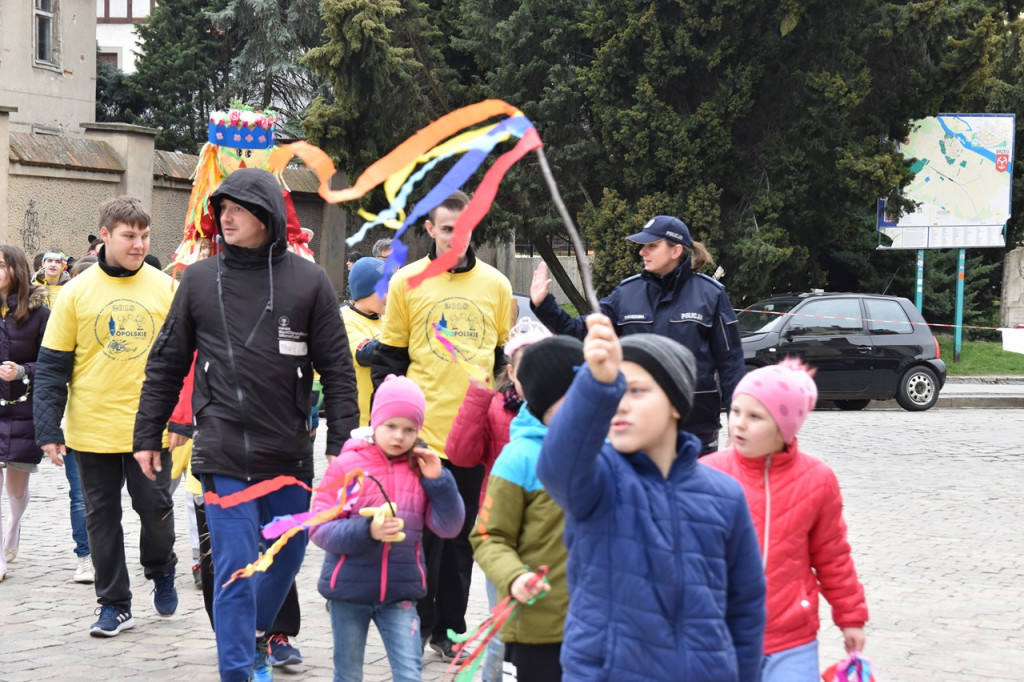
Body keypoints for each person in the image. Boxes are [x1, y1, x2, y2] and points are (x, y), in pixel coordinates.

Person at [133, 167, 359, 682]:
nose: (226, 218)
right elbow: (166, 363)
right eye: (222, 209)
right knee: (235, 564)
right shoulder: (198, 280)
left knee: (289, 553)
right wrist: (147, 434)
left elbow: (338, 370)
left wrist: (342, 443)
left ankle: (254, 631)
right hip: (223, 448)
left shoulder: (310, 281)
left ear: (267, 215)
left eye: (238, 209)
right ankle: (236, 669)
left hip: (288, 451)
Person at [536, 315, 765, 681]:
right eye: (616, 390)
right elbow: (556, 465)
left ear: (675, 403)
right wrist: (597, 383)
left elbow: (746, 607)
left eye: (636, 390)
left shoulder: (725, 495)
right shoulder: (598, 479)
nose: (620, 404)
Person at [372, 190, 513, 660]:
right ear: (431, 229)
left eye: (465, 227)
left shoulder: (496, 285)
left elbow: (502, 361)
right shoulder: (406, 281)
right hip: (421, 436)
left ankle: (449, 630)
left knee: (461, 540)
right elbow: (390, 361)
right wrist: (387, 428)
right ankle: (415, 624)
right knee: (417, 538)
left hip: (472, 438)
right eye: (448, 228)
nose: (456, 236)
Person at [33, 196, 178, 637]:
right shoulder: (76, 292)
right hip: (91, 429)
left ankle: (161, 568)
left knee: (155, 510)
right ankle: (114, 603)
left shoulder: (167, 289)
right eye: (129, 236)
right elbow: (53, 366)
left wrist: (184, 420)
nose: (139, 244)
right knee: (101, 517)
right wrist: (48, 427)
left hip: (151, 429)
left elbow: (185, 361)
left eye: (145, 236)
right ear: (105, 236)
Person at [703, 359, 869, 681]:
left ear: (785, 426)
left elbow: (833, 556)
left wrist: (851, 618)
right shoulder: (708, 474)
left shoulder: (817, 480)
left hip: (792, 638)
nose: (739, 424)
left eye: (755, 416)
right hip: (722, 635)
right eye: (735, 411)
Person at [530, 215, 745, 455]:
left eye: (652, 245)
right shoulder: (626, 293)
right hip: (638, 427)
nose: (642, 252)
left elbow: (731, 364)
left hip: (696, 429)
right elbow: (580, 330)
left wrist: (737, 424)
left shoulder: (712, 295)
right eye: (643, 246)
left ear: (675, 251)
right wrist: (544, 305)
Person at [310, 375, 465, 682]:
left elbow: (449, 527)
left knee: (409, 673)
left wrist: (440, 481)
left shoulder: (421, 468)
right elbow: (319, 528)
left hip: (401, 594)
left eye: (409, 429)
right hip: (349, 593)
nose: (399, 436)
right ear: (375, 422)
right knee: (348, 674)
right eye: (391, 426)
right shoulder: (347, 465)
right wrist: (367, 530)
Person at [470, 335, 583, 682]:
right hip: (539, 627)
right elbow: (488, 536)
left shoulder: (607, 449)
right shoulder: (518, 458)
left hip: (600, 625)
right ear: (548, 397)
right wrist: (515, 576)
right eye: (579, 393)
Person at [446, 316, 551, 681]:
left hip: (550, 534)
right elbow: (461, 455)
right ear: (511, 372)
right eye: (526, 368)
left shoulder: (563, 411)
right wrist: (476, 396)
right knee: (503, 628)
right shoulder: (494, 406)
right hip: (502, 531)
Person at [0, 246, 50, 582]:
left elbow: (51, 361)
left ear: (15, 269)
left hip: (23, 408)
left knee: (16, 490)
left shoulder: (38, 313)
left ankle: (14, 526)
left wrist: (21, 371)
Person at [62, 254, 98, 584]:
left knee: (105, 499)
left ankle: (103, 554)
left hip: (113, 423)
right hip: (74, 422)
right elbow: (51, 375)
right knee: (79, 496)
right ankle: (85, 556)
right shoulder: (63, 322)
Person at [341, 257, 390, 428]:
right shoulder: (343, 319)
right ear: (364, 290)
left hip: (384, 420)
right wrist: (402, 332)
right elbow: (365, 353)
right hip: (356, 422)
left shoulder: (386, 319)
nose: (390, 296)